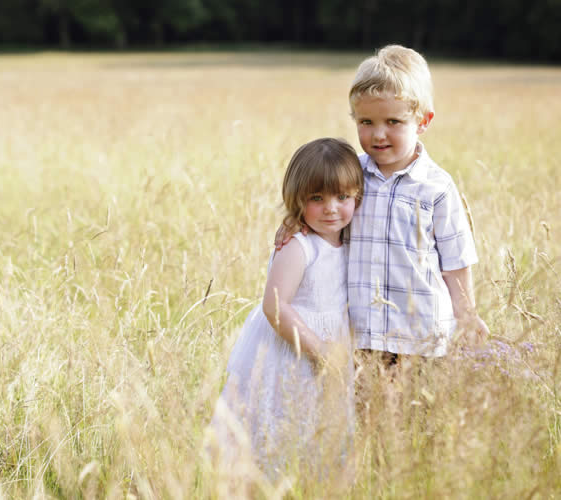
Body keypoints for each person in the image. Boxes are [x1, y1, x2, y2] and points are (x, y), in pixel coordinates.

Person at [276, 45, 489, 362]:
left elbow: (456, 261)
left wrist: (467, 315)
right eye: (366, 122)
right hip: (361, 334)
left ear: (423, 121)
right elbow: (326, 219)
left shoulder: (436, 188)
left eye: (393, 121)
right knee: (367, 410)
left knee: (419, 411)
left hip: (422, 336)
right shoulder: (350, 177)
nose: (378, 134)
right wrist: (296, 223)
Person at [209, 138, 364, 484]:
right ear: (297, 201)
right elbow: (275, 306)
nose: (331, 209)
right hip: (292, 350)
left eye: (342, 198)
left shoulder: (349, 238)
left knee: (322, 429)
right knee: (281, 425)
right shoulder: (299, 246)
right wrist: (319, 350)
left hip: (332, 347)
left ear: (357, 197)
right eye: (316, 199)